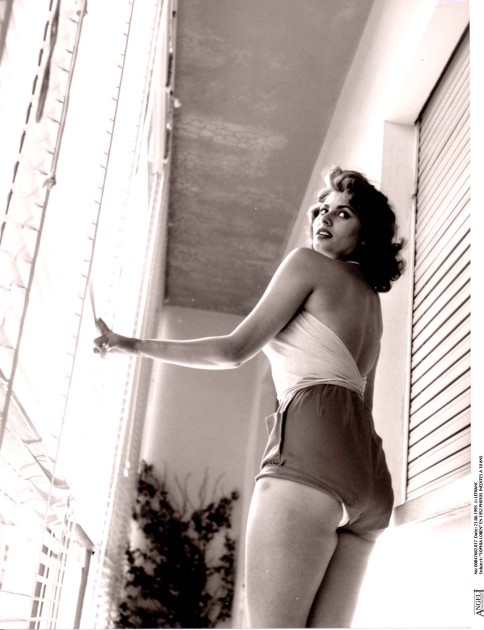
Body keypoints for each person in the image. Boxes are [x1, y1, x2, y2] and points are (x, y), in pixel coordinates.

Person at [94, 166, 405, 628]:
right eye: (322, 208)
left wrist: (132, 344)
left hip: (312, 464)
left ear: (365, 234)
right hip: (370, 484)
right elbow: (364, 405)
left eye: (343, 213)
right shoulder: (371, 304)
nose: (324, 216)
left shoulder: (307, 264)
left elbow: (233, 350)